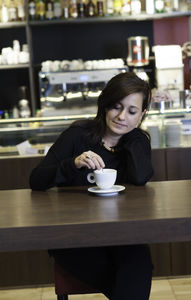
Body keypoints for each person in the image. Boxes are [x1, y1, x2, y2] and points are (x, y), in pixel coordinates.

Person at [30, 71, 154, 300]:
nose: (121, 117)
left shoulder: (137, 143)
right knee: (127, 282)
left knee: (139, 260)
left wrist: (134, 135)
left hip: (120, 234)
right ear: (105, 105)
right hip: (72, 236)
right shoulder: (78, 136)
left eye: (132, 111)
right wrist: (73, 164)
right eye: (116, 107)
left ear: (142, 115)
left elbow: (141, 178)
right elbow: (36, 180)